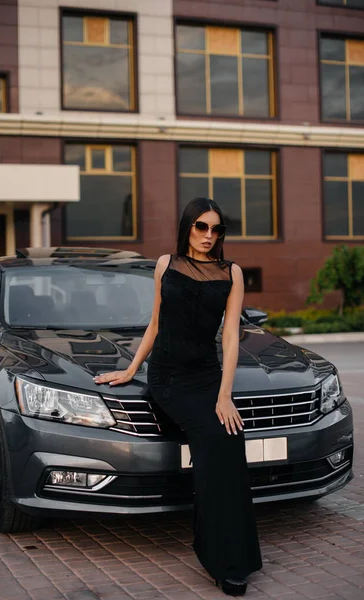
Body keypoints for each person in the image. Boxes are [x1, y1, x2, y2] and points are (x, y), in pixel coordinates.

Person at [94, 197, 262, 596]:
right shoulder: (165, 265)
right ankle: (221, 560)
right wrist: (132, 369)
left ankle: (230, 555)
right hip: (168, 377)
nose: (208, 236)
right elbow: (155, 323)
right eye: (201, 227)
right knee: (212, 439)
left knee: (230, 439)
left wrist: (225, 394)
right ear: (188, 226)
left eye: (216, 229)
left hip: (206, 376)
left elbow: (233, 336)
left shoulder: (231, 273)